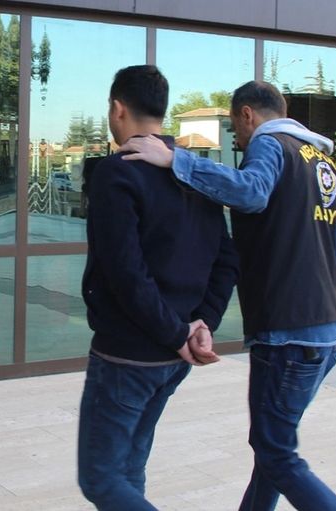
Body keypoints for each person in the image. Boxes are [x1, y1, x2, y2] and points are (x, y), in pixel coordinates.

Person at [119, 80, 336, 511]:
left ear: (247, 114)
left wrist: (176, 160)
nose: (237, 137)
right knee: (272, 451)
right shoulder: (320, 160)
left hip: (289, 333)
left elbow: (251, 191)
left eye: (235, 126)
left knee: (277, 455)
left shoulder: (270, 144)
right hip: (323, 332)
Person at [77, 65, 239, 510]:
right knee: (129, 469)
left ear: (117, 108)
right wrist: (201, 324)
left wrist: (178, 332)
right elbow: (227, 259)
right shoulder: (194, 172)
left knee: (101, 478)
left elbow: (126, 272)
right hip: (175, 352)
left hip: (130, 353)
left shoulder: (117, 172)